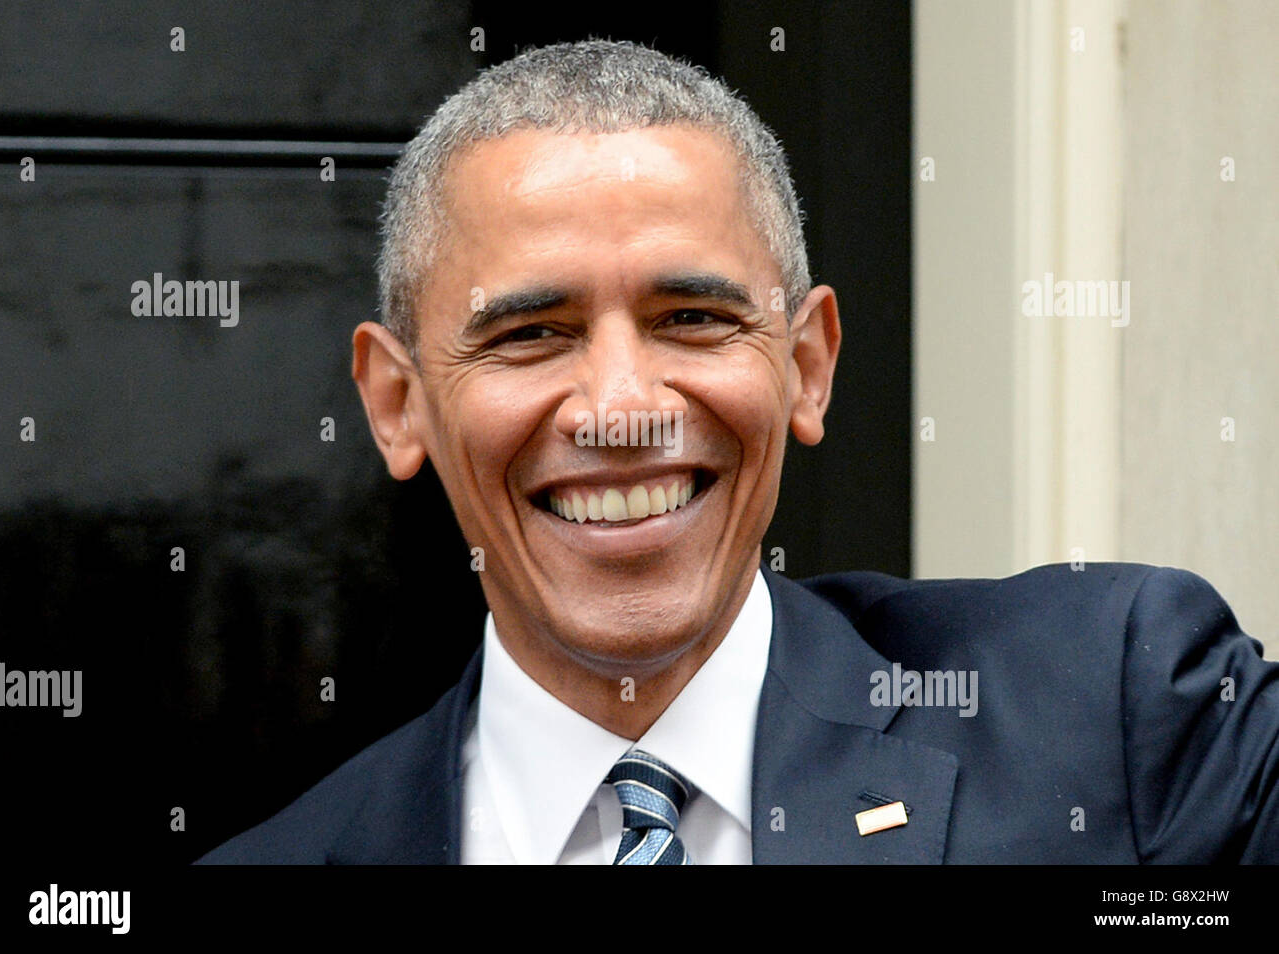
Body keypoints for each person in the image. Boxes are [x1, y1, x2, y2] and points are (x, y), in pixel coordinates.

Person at [198, 39, 1279, 865]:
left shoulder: (1121, 718)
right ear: (398, 403)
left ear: (807, 364)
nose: (620, 409)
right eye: (530, 333)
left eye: (693, 319)